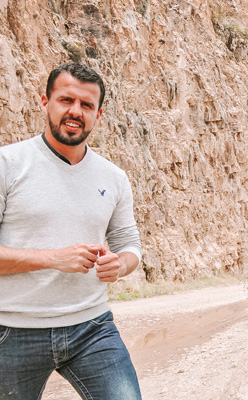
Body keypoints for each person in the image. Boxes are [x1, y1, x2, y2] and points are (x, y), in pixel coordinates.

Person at [0, 63, 142, 399]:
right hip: (12, 331)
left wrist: (120, 265)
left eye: (86, 105)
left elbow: (130, 245)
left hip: (92, 328)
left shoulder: (114, 178)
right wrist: (52, 258)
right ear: (44, 101)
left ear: (99, 114)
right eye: (66, 100)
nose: (75, 111)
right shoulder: (8, 164)